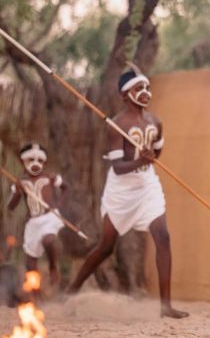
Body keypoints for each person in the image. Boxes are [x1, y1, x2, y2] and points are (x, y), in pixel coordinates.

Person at [68, 65, 188, 319]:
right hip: (121, 191)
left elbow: (156, 153)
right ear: (125, 95)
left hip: (147, 185)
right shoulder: (117, 125)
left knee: (163, 237)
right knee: (106, 247)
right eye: (138, 88)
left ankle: (165, 305)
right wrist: (140, 161)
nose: (145, 92)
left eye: (146, 87)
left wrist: (149, 158)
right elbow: (118, 167)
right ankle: (72, 290)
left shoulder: (156, 122)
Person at [8, 143, 67, 285]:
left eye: (39, 161)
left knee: (48, 240)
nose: (35, 164)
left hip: (50, 217)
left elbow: (66, 188)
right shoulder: (20, 182)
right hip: (32, 223)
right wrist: (17, 190)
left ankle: (53, 267)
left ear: (44, 162)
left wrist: (59, 205)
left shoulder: (50, 177)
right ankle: (34, 293)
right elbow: (11, 206)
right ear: (23, 162)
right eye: (30, 160)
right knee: (30, 264)